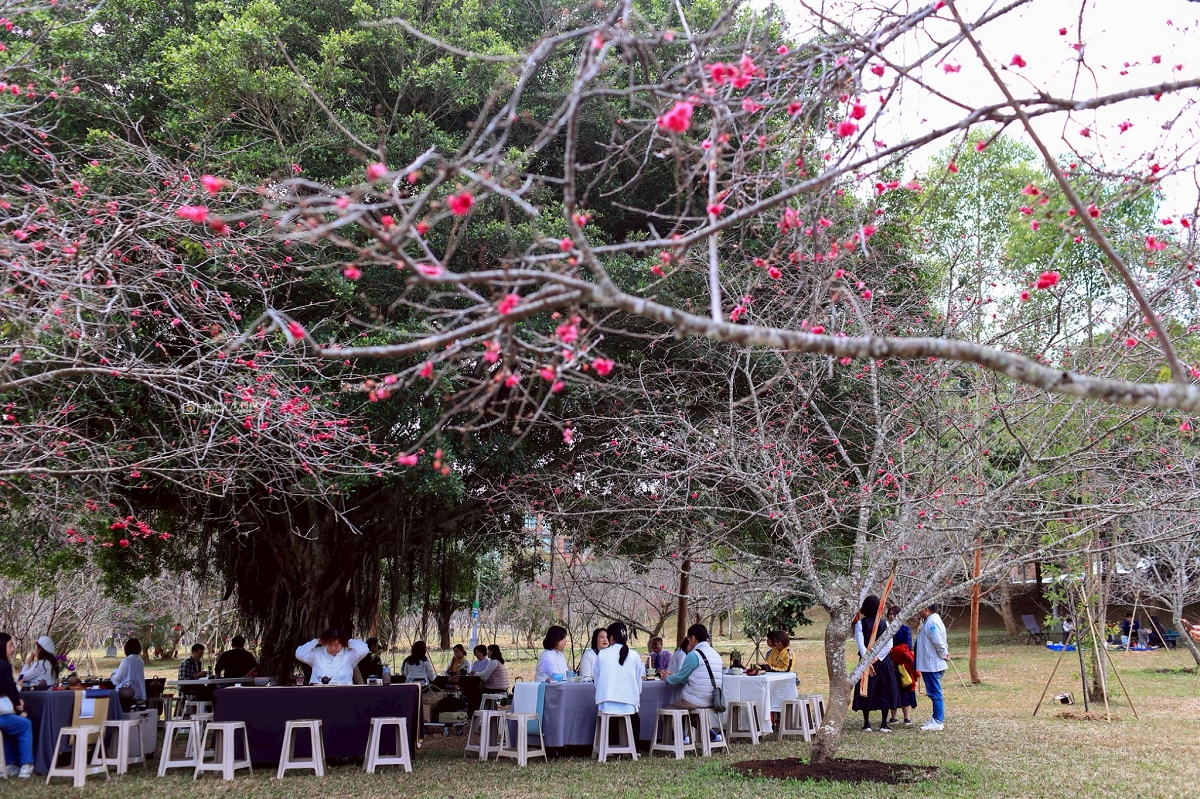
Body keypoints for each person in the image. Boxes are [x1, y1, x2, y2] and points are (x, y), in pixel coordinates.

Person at [665, 623, 724, 742]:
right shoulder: (716, 655)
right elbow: (699, 678)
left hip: (695, 699)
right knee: (693, 715)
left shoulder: (694, 655)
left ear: (693, 638)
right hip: (712, 699)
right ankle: (714, 736)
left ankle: (682, 739)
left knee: (667, 713)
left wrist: (666, 677)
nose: (688, 641)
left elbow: (678, 678)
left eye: (688, 638)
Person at [853, 595, 900, 732]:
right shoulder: (885, 623)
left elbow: (861, 645)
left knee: (866, 690)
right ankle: (883, 723)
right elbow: (889, 644)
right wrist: (877, 658)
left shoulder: (860, 624)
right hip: (882, 662)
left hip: (867, 662)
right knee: (884, 689)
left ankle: (867, 723)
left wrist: (868, 660)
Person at [593, 622, 644, 737]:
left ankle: (606, 744)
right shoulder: (635, 655)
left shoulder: (602, 654)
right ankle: (634, 746)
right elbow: (638, 684)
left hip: (606, 704)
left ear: (611, 638)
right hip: (629, 704)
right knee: (635, 719)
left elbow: (598, 682)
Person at [0, 632, 35, 778]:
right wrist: (17, 704)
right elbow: (10, 689)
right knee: (24, 724)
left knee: (11, 726)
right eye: (10, 646)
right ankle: (26, 765)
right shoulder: (3, 664)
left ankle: (10, 764)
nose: (12, 649)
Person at [914, 601, 950, 732]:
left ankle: (938, 720)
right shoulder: (929, 621)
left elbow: (938, 641)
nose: (918, 611)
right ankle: (936, 718)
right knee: (933, 692)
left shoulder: (932, 623)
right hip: (929, 664)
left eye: (920, 608)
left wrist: (944, 653)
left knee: (935, 693)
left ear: (926, 608)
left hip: (932, 664)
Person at [294, 627, 369, 685]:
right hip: (318, 693)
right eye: (330, 644)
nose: (333, 648)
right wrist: (317, 641)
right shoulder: (317, 654)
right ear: (325, 642)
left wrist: (348, 641)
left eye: (337, 645)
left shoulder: (350, 655)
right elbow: (299, 654)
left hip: (343, 693)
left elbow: (364, 649)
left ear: (342, 643)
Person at [886, 605, 918, 726]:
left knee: (905, 688)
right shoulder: (886, 629)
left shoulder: (905, 629)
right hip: (889, 663)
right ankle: (893, 717)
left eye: (894, 614)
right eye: (890, 614)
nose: (892, 616)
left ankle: (907, 717)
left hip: (903, 664)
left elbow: (907, 646)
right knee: (892, 689)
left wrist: (895, 654)